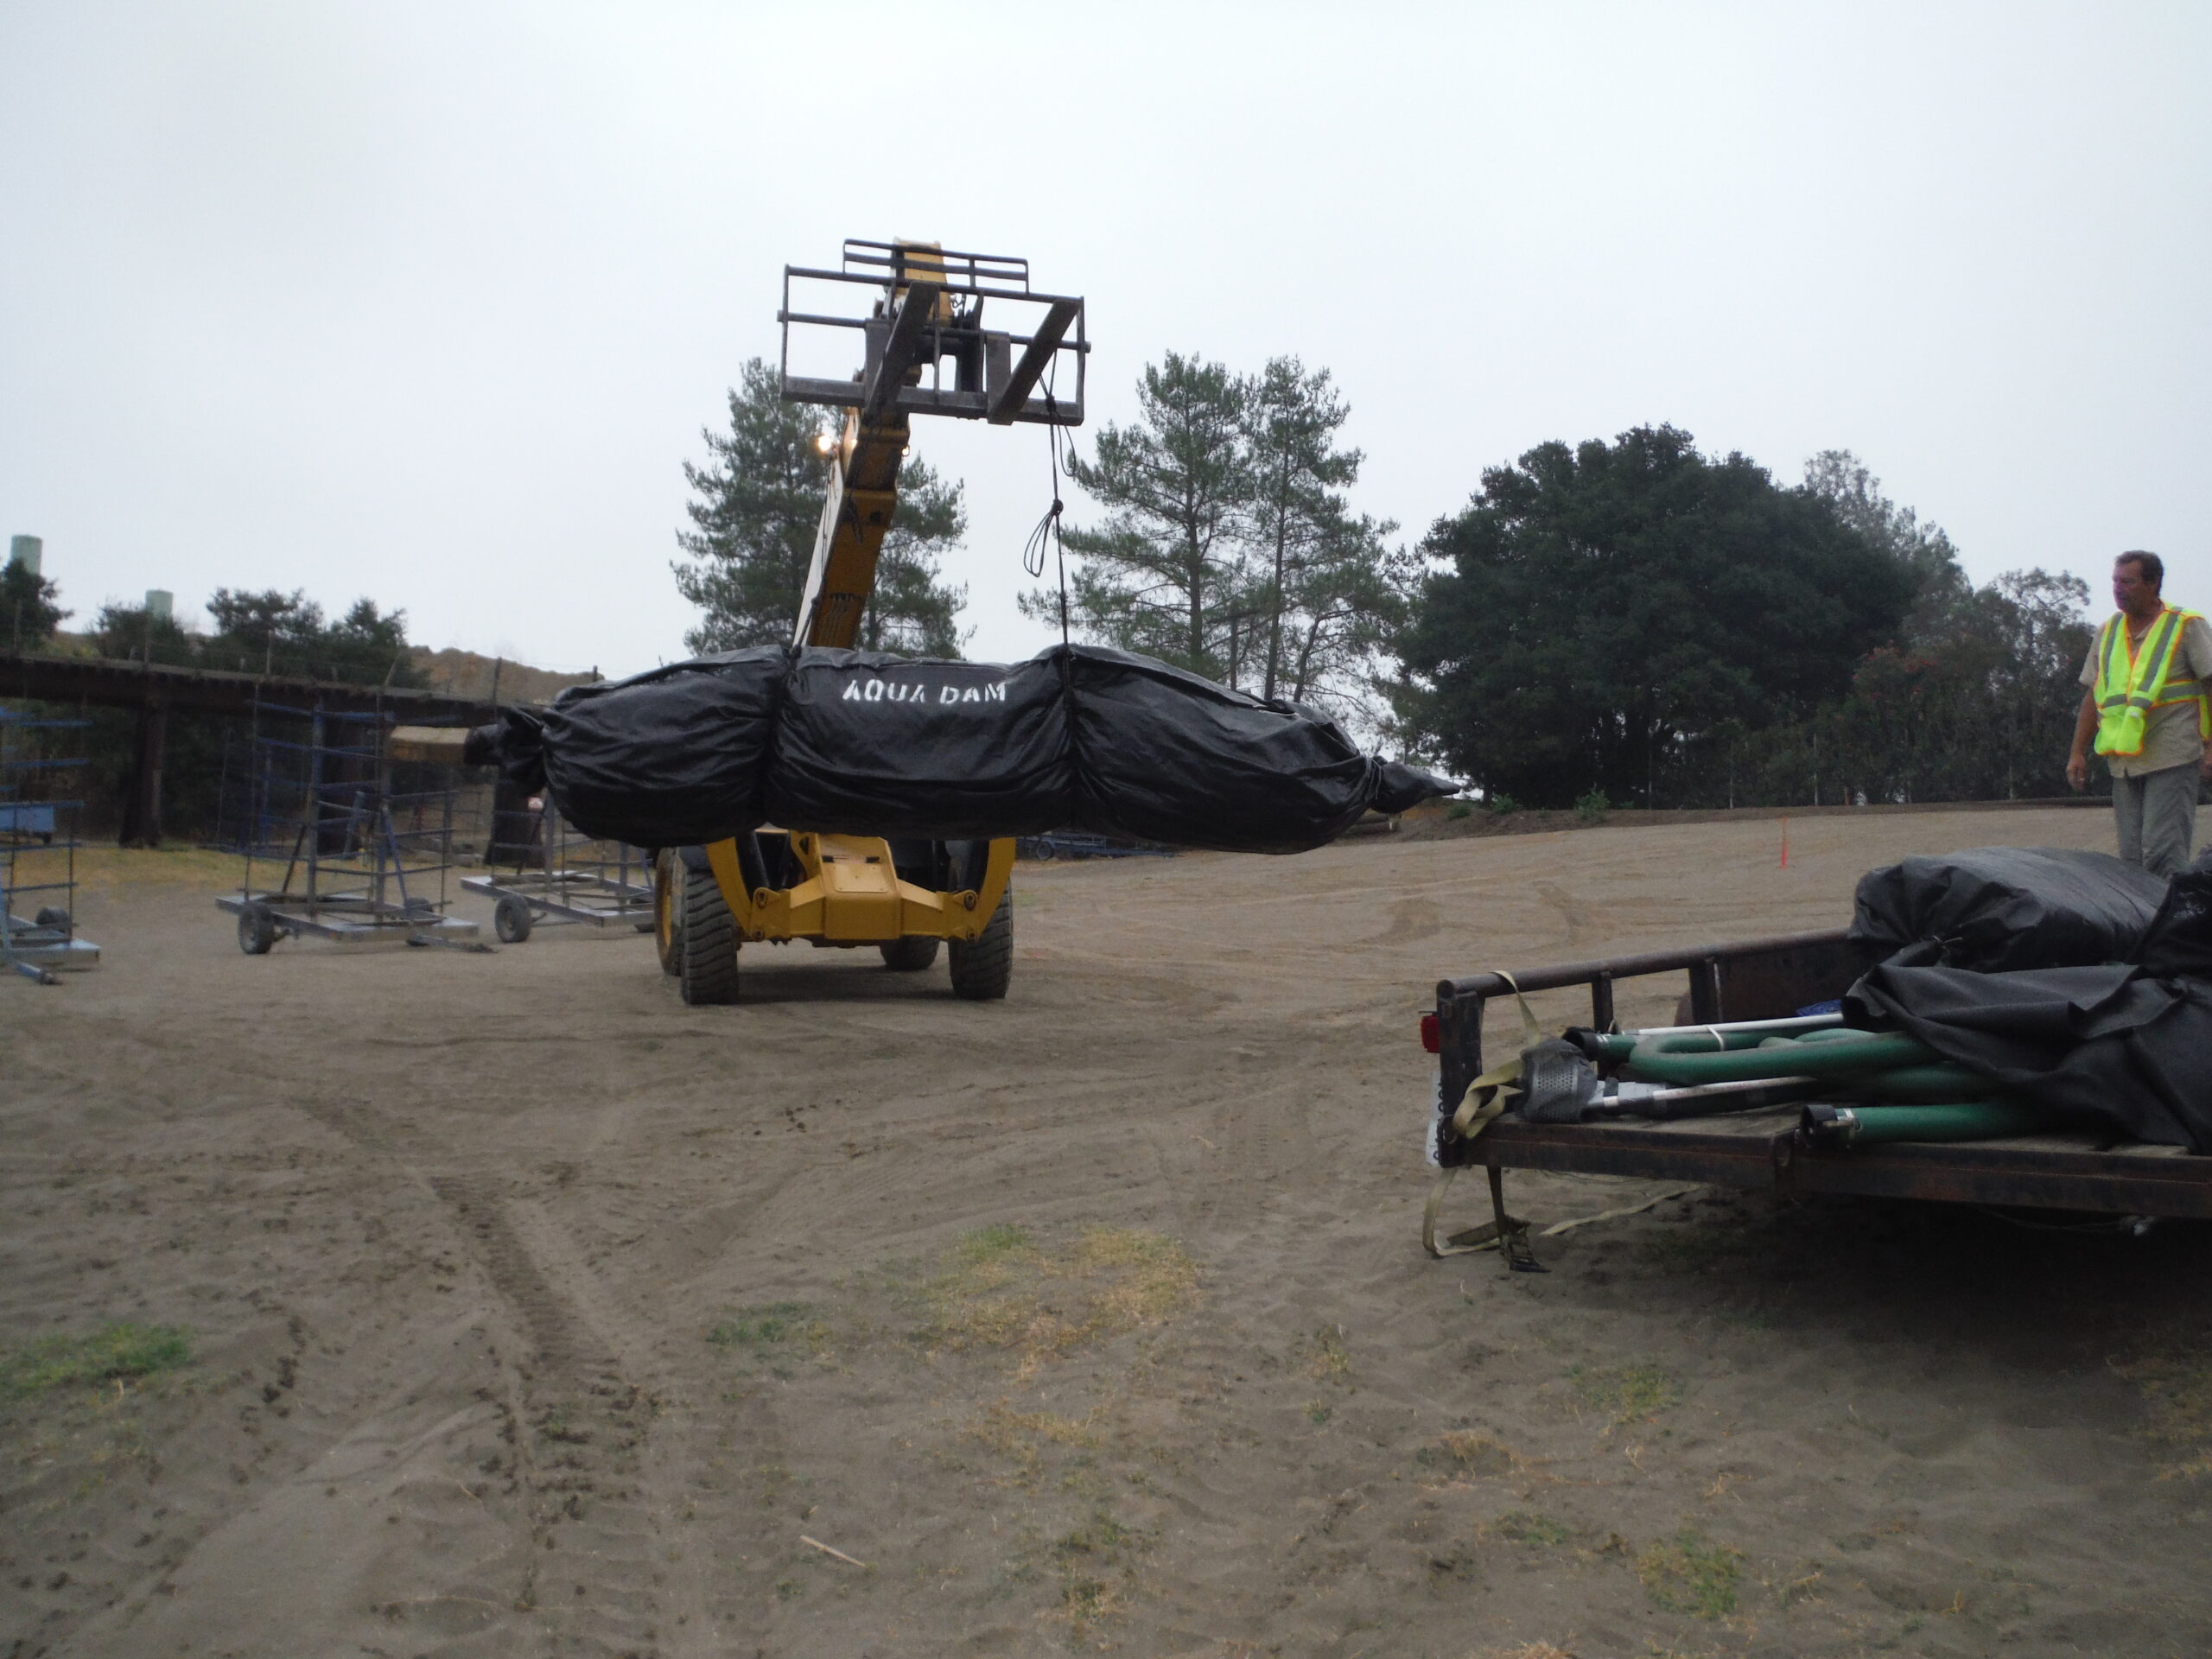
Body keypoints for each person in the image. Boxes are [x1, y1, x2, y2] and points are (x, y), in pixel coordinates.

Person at [2066, 550, 2212, 878]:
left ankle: (2169, 927)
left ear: (2153, 583)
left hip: (2172, 755)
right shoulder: (2108, 631)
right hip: (2124, 762)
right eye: (2115, 581)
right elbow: (2094, 694)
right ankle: (2140, 926)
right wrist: (2077, 752)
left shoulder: (2186, 625)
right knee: (2130, 862)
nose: (2118, 589)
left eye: (2128, 582)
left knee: (2163, 855)